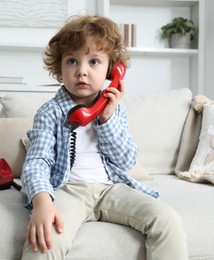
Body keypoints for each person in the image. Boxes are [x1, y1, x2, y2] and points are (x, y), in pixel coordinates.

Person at [20, 15, 188, 260]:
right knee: (46, 240)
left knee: (167, 220)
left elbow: (127, 160)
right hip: (69, 190)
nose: (82, 71)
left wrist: (105, 119)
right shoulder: (50, 112)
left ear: (112, 70)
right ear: (60, 67)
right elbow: (37, 161)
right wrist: (42, 203)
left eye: (94, 61)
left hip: (111, 188)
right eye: (72, 61)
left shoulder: (114, 108)